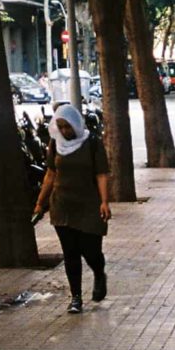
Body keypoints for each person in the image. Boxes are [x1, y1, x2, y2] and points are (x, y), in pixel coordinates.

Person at [33, 104, 110, 314]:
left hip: (88, 204)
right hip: (62, 205)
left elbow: (101, 174)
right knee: (70, 253)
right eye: (61, 127)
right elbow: (50, 174)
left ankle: (99, 273)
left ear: (76, 123)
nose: (65, 131)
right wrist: (40, 202)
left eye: (67, 126)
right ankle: (76, 297)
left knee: (91, 251)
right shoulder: (55, 143)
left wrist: (104, 201)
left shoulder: (92, 143)